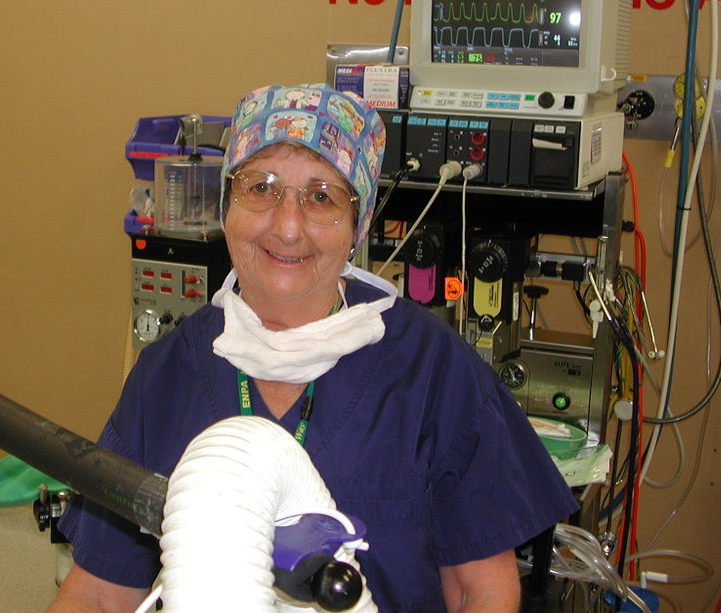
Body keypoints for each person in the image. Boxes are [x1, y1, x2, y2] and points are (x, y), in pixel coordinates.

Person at [49, 83, 578, 613]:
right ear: (226, 205)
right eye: (262, 188)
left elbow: (480, 592)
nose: (287, 227)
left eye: (322, 197)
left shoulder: (436, 372)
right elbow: (98, 592)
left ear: (358, 225)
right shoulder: (166, 375)